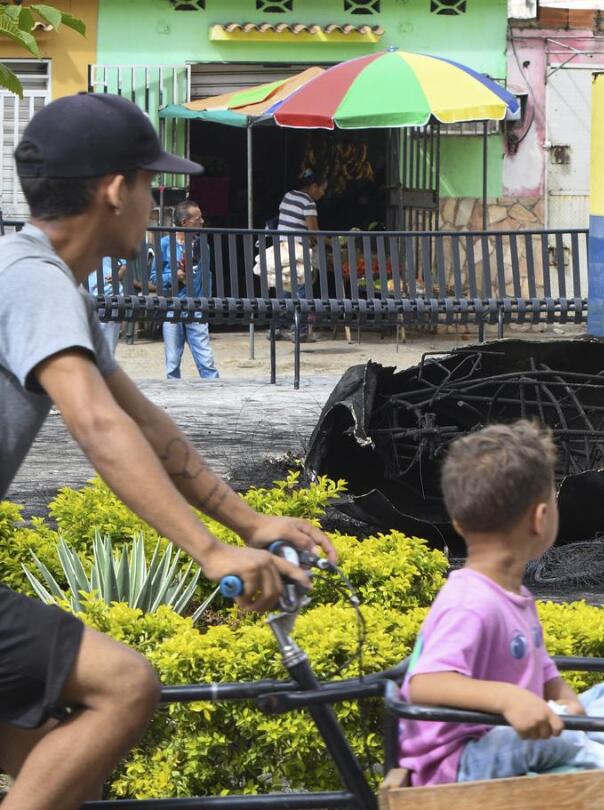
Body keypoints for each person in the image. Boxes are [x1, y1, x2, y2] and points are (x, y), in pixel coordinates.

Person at [0, 93, 336, 810]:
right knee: (127, 686)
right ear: (115, 190)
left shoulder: (52, 287)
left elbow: (145, 422)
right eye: (152, 184)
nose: (157, 202)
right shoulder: (31, 281)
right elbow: (97, 425)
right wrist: (209, 552)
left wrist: (247, 523)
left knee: (58, 772)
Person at [397, 421, 604, 786]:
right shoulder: (470, 602)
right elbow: (425, 684)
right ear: (541, 519)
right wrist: (508, 699)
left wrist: (565, 699)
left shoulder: (515, 596)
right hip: (462, 759)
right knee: (566, 736)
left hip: (509, 737)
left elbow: (542, 671)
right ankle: (602, 764)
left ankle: (587, 752)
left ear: (458, 522)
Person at [152, 200, 218, 379]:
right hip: (172, 305)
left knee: (205, 358)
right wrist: (175, 276)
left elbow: (207, 276)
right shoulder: (165, 244)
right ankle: (174, 391)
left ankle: (214, 388)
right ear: (184, 223)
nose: (202, 221)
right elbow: (154, 278)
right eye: (198, 219)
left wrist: (206, 301)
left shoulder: (201, 246)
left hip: (196, 305)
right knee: (172, 360)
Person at [264, 170, 327, 341]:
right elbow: (314, 232)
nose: (323, 193)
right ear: (314, 187)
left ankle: (276, 328)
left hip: (281, 249)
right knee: (302, 290)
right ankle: (301, 331)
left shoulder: (289, 195)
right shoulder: (308, 203)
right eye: (322, 189)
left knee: (284, 288)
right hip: (297, 252)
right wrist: (330, 242)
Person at [85, 256, 125, 351]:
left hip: (110, 295)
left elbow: (124, 266)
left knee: (107, 347)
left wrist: (119, 274)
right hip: (91, 296)